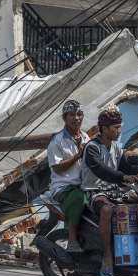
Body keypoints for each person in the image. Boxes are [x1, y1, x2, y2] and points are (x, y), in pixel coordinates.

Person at [81, 107, 138, 276]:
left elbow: (126, 166)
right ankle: (107, 255)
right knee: (107, 210)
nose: (119, 130)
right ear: (104, 129)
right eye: (116, 127)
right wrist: (124, 176)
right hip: (94, 191)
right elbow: (102, 171)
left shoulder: (116, 147)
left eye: (119, 126)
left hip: (114, 191)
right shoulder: (92, 148)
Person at [47, 100, 90, 253]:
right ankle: (72, 239)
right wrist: (77, 156)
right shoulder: (57, 141)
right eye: (71, 115)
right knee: (78, 197)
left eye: (79, 114)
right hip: (63, 187)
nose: (76, 118)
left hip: (83, 186)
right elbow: (57, 168)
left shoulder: (86, 138)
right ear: (64, 118)